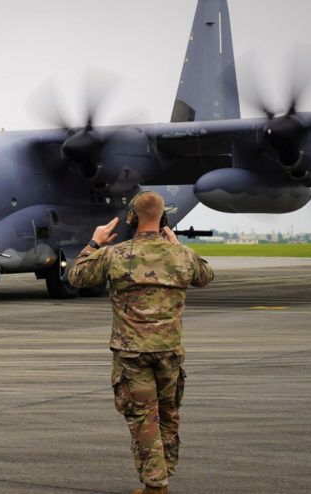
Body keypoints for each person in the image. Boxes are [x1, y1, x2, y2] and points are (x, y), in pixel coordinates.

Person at [67, 190, 214, 494]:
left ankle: (156, 484)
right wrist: (178, 247)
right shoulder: (182, 256)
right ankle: (162, 477)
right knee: (168, 415)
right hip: (169, 352)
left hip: (132, 354)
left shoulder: (116, 254)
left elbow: (76, 276)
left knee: (143, 418)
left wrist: (94, 242)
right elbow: (205, 275)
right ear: (164, 218)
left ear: (132, 217)